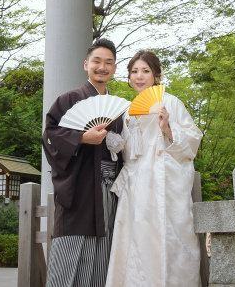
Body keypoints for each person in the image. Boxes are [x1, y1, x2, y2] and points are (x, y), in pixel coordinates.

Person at [105, 50, 203, 287]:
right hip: (135, 186)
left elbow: (193, 138)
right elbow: (125, 150)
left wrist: (168, 127)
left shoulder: (170, 102)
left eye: (145, 71)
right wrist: (112, 142)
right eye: (134, 72)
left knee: (170, 241)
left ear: (156, 75)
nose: (139, 76)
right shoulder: (124, 110)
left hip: (164, 183)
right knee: (135, 245)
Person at [42, 38, 126, 287]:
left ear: (114, 68)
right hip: (81, 188)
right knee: (71, 248)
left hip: (111, 191)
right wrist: (81, 138)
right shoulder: (69, 100)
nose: (102, 67)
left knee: (105, 251)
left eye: (108, 62)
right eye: (97, 61)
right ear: (86, 64)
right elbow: (50, 135)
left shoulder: (118, 110)